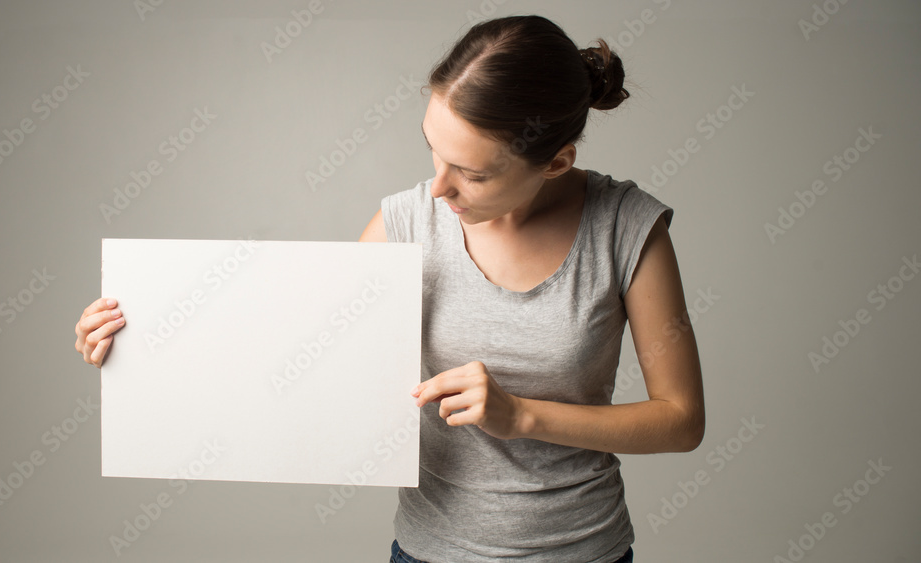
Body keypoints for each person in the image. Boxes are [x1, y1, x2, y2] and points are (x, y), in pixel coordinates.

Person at [75, 14, 704, 563]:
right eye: (434, 151)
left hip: (584, 550)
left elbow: (680, 421)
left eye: (473, 174)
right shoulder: (406, 224)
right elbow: (296, 362)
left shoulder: (626, 227)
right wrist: (142, 346)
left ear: (557, 162)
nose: (439, 189)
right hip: (429, 551)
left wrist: (521, 415)